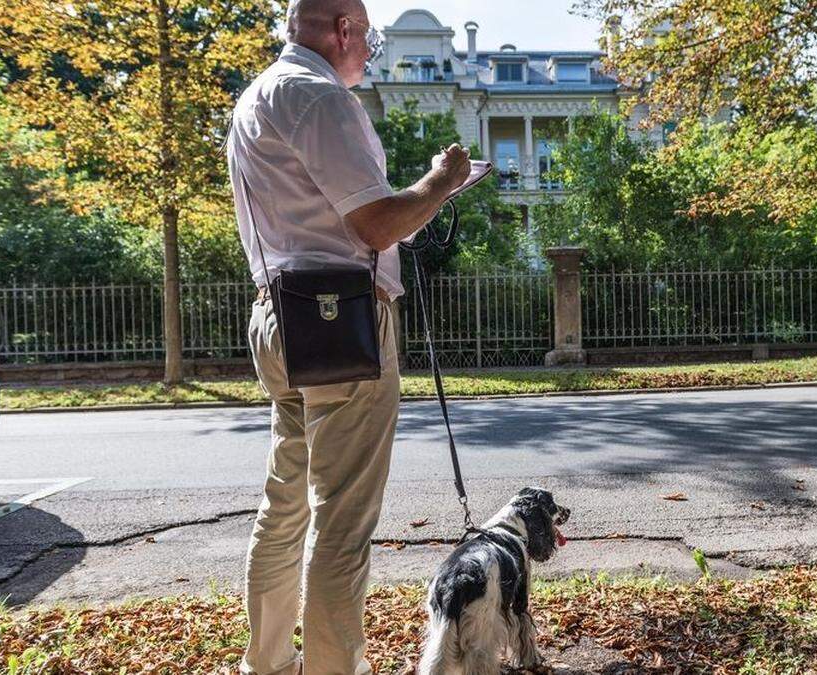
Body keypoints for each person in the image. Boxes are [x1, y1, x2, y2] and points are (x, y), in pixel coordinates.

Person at [225, 0, 470, 672]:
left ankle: (268, 661)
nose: (371, 53)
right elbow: (374, 226)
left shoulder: (256, 99)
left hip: (277, 312)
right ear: (342, 30)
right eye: (370, 39)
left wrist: (414, 204)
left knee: (285, 506)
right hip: (342, 319)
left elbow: (340, 219)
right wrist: (441, 182)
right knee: (341, 521)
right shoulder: (319, 97)